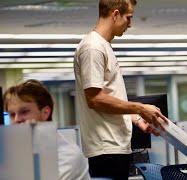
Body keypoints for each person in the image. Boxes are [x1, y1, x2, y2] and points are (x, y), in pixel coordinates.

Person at [73, 0, 167, 179]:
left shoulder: (103, 46)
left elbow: (110, 97)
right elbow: (95, 99)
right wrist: (139, 107)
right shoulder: (93, 47)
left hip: (115, 147)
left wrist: (136, 119)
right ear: (115, 14)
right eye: (128, 18)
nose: (130, 24)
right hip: (106, 149)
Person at [3, 79, 91, 180]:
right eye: (12, 114)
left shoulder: (67, 155)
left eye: (24, 112)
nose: (16, 119)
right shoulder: (18, 150)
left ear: (45, 112)